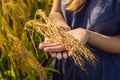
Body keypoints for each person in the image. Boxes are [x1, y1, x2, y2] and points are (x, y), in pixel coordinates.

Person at [39, 0, 120, 80]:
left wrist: (89, 36)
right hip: (65, 64)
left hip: (102, 71)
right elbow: (56, 11)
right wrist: (59, 25)